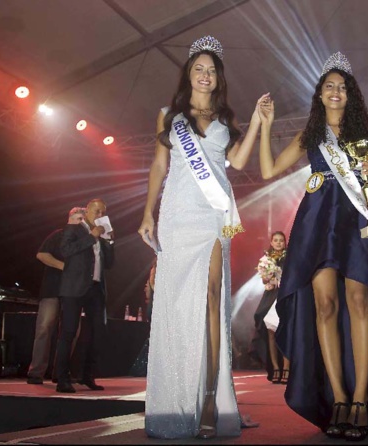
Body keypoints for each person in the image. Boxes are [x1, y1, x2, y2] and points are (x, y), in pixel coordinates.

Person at [258, 52, 368, 441]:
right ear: (320, 95)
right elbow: (268, 170)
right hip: (316, 221)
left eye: (342, 86)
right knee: (324, 306)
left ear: (350, 94)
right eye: (329, 86)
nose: (336, 91)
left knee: (359, 300)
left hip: (356, 222)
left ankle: (361, 398)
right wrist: (265, 127)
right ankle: (339, 398)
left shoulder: (366, 133)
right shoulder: (311, 135)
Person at [137, 35, 266, 439]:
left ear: (218, 77)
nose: (205, 75)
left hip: (215, 214)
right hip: (177, 211)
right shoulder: (168, 116)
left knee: (213, 297)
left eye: (211, 70)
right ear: (188, 74)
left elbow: (239, 162)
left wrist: (260, 122)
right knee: (178, 304)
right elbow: (159, 166)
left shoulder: (227, 120)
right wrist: (147, 213)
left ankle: (210, 398)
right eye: (199, 69)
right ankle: (176, 397)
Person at [55, 198, 114, 394]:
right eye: (96, 212)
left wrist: (110, 240)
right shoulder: (75, 228)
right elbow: (65, 250)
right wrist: (92, 237)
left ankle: (87, 376)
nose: (99, 216)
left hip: (96, 288)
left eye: (102, 213)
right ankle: (62, 379)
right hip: (74, 288)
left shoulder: (102, 233)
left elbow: (109, 264)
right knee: (69, 332)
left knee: (96, 333)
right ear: (87, 211)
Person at [26, 207, 85, 385]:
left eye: (83, 218)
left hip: (74, 293)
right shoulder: (58, 235)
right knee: (44, 328)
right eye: (77, 218)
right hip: (52, 289)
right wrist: (65, 267)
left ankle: (60, 372)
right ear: (69, 219)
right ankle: (36, 372)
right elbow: (41, 254)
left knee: (71, 332)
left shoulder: (84, 240)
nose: (80, 221)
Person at [251, 231, 290, 384]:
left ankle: (287, 367)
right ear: (272, 242)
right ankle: (275, 368)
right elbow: (264, 281)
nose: (279, 243)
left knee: (286, 330)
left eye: (281, 240)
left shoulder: (290, 258)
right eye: (276, 240)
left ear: (285, 242)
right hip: (271, 296)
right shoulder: (266, 259)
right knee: (270, 332)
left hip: (285, 295)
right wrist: (269, 276)